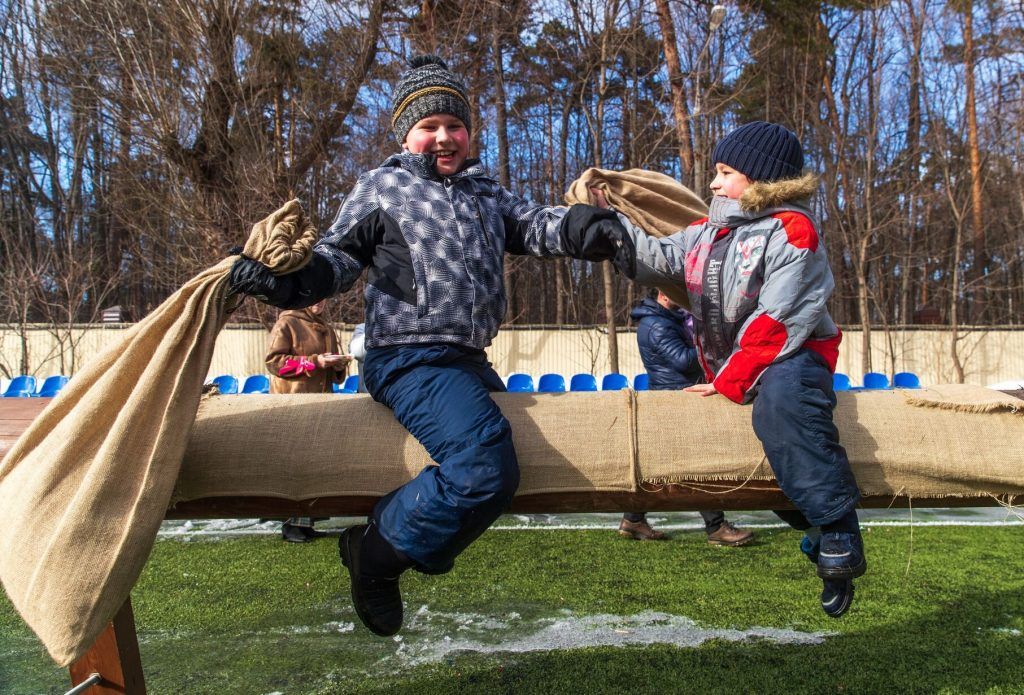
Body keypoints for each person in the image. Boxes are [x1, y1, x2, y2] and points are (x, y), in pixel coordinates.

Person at [229, 55, 631, 636]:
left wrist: (583, 227)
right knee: (483, 466)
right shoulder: (383, 188)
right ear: (406, 134)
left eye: (455, 124)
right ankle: (375, 554)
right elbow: (340, 259)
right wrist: (291, 284)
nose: (444, 136)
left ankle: (404, 542)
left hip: (467, 361)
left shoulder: (485, 193)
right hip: (408, 357)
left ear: (469, 132)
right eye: (429, 126)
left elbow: (536, 225)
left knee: (516, 474)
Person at [605, 121, 865, 618]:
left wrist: (728, 380)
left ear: (762, 180)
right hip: (737, 364)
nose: (714, 183)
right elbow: (660, 255)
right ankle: (812, 526)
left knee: (784, 408)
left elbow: (778, 317)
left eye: (726, 172)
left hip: (793, 355)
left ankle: (838, 529)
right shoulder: (708, 232)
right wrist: (607, 235)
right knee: (770, 462)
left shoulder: (794, 229)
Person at [620, 288, 754, 547]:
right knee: (698, 465)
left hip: (674, 398)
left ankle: (633, 519)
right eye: (675, 292)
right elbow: (682, 361)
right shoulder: (657, 324)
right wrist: (714, 346)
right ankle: (716, 527)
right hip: (674, 402)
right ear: (663, 294)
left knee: (662, 468)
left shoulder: (665, 319)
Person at [264, 299, 351, 542]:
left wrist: (339, 364)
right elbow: (274, 362)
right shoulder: (287, 323)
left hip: (320, 405)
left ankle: (307, 521)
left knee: (314, 464)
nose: (320, 302)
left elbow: (334, 374)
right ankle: (290, 524)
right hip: (292, 403)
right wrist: (316, 362)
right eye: (316, 297)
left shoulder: (326, 327)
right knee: (293, 464)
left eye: (324, 298)